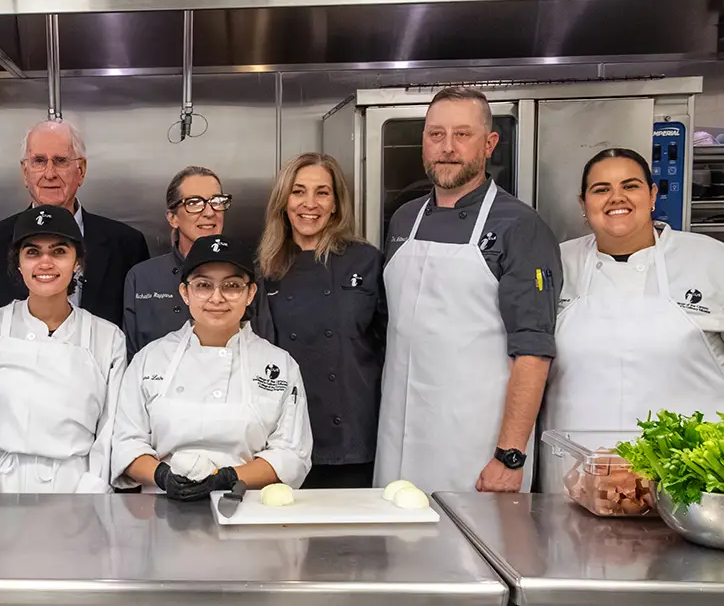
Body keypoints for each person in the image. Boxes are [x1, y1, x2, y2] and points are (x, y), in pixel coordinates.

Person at [375, 86, 562, 494]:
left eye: (462, 134)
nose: (447, 147)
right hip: (397, 436)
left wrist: (509, 455)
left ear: (489, 143)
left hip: (475, 446)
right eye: (436, 134)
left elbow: (533, 350)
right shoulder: (404, 219)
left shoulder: (520, 226)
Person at [113, 234, 313, 500]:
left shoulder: (279, 365)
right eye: (203, 285)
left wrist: (226, 478)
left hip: (246, 504)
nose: (216, 298)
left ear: (250, 293)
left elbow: (290, 452)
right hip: (162, 506)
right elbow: (126, 442)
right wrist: (164, 476)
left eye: (231, 286)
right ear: (185, 292)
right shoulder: (149, 359)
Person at [0, 205, 126, 493]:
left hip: (77, 491)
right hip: (2, 490)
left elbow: (109, 431)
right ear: (18, 263)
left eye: (58, 252)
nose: (45, 263)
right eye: (32, 252)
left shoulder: (107, 339)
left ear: (77, 262)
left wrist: (90, 499)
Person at [545, 148, 724, 430]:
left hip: (686, 464)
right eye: (601, 189)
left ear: (652, 195)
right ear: (583, 202)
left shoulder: (711, 259)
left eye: (630, 186)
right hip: (575, 461)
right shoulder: (554, 263)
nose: (617, 197)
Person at [257, 153, 387, 489]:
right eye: (298, 191)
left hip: (352, 433)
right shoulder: (264, 269)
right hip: (281, 436)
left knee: (349, 539)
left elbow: (392, 347)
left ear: (336, 204)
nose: (309, 204)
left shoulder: (367, 261)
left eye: (322, 192)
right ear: (283, 201)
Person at [0, 119, 150, 327]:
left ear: (81, 170)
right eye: (39, 161)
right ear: (25, 172)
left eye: (61, 160)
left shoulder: (127, 246)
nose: (50, 173)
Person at [122, 166, 231, 359]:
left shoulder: (247, 275)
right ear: (172, 218)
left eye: (216, 201)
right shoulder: (142, 277)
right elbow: (131, 356)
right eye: (194, 202)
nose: (209, 212)